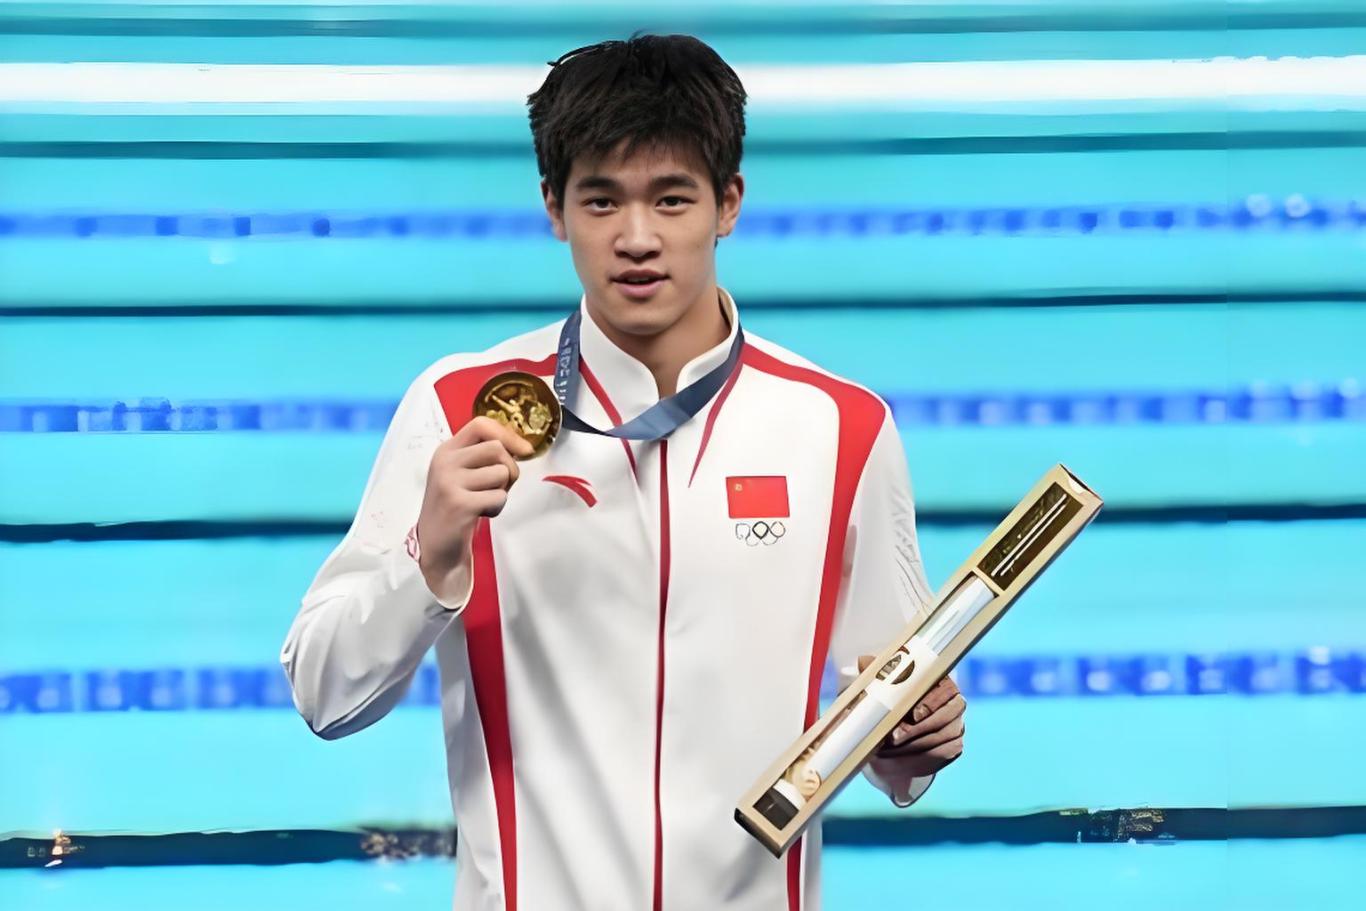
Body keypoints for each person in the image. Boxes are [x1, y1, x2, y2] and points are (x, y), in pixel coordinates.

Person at [280, 34, 966, 911]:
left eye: (671, 199)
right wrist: (431, 556)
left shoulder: (841, 427)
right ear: (554, 208)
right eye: (601, 200)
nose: (637, 239)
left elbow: (892, 725)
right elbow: (324, 693)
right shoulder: (458, 408)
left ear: (728, 203)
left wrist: (913, 739)